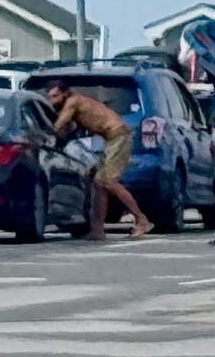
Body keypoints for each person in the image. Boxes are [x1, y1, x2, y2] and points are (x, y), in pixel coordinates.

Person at [45, 81, 151, 239]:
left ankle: (141, 220)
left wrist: (40, 135)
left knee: (109, 182)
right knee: (98, 184)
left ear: (65, 93)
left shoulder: (73, 102)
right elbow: (69, 130)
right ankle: (97, 230)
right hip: (110, 140)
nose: (51, 101)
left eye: (55, 96)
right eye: (49, 97)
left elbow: (58, 126)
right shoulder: (75, 105)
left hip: (119, 137)